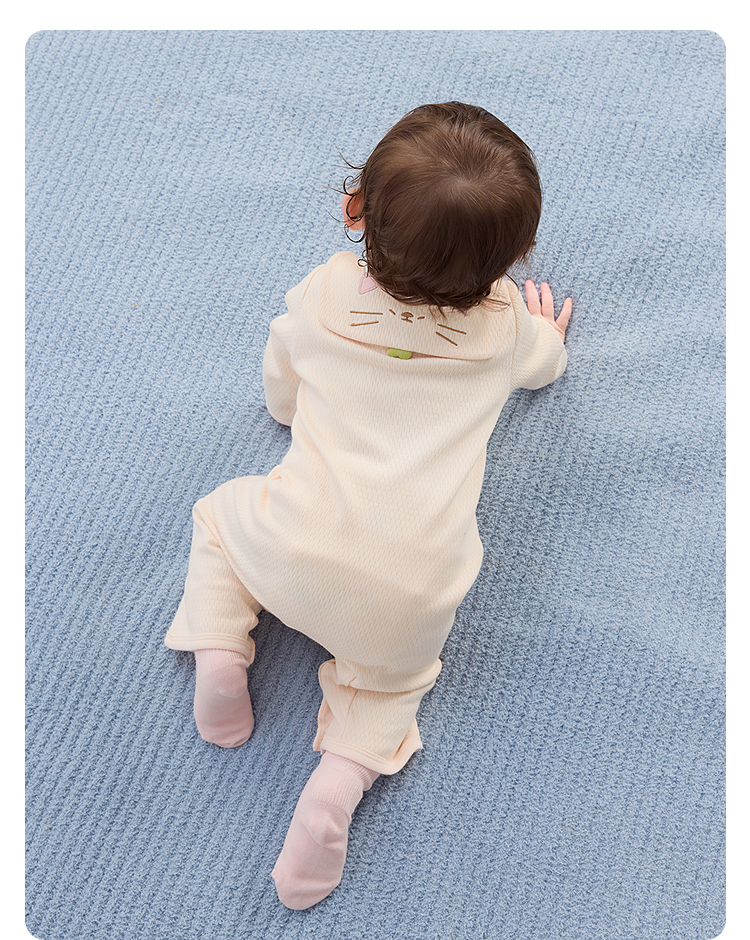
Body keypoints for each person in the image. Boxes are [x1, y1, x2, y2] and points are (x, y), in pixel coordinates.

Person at [164, 101, 573, 910]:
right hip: (409, 593)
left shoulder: (322, 296)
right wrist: (547, 335)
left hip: (290, 545)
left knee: (219, 520)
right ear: (514, 259)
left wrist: (295, 403)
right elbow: (546, 368)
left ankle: (219, 650)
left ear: (355, 210)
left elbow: (281, 390)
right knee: (389, 686)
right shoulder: (505, 335)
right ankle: (338, 782)